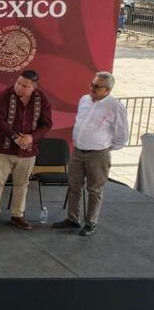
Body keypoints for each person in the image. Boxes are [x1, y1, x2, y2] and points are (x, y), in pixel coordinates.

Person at [53, 71, 128, 236]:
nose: (92, 88)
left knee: (94, 190)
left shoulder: (115, 107)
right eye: (91, 84)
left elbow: (122, 135)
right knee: (74, 186)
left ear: (107, 90)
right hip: (78, 152)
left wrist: (105, 148)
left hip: (98, 155)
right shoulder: (84, 100)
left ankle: (90, 223)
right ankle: (72, 219)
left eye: (96, 86)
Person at [0, 70, 53, 230]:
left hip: (28, 150)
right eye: (18, 83)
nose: (20, 87)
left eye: (25, 86)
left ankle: (17, 215)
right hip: (3, 148)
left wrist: (31, 138)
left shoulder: (41, 99)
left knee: (22, 184)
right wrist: (15, 137)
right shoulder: (4, 95)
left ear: (34, 87)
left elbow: (47, 124)